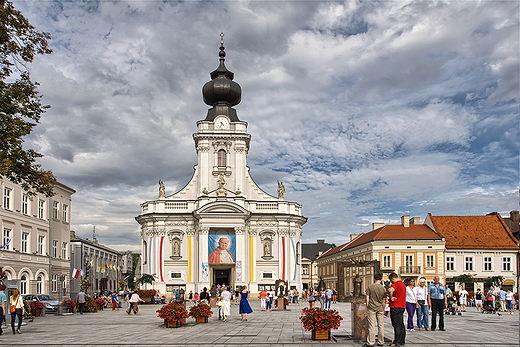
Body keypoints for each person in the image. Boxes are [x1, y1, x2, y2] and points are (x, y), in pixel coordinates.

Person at [364, 273, 386, 347]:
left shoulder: (370, 287)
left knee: (371, 325)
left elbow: (367, 298)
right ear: (381, 279)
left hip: (372, 308)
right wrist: (383, 309)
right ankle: (381, 341)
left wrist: (368, 306)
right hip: (380, 308)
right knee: (381, 325)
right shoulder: (383, 288)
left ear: (374, 279)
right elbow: (384, 300)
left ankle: (371, 342)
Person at [388, 273, 406, 347]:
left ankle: (396, 341)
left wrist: (391, 297)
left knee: (396, 324)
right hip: (402, 306)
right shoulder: (403, 285)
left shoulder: (396, 284)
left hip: (395, 306)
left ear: (393, 279)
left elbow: (390, 290)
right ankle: (402, 340)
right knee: (401, 324)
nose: (391, 282)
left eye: (391, 281)